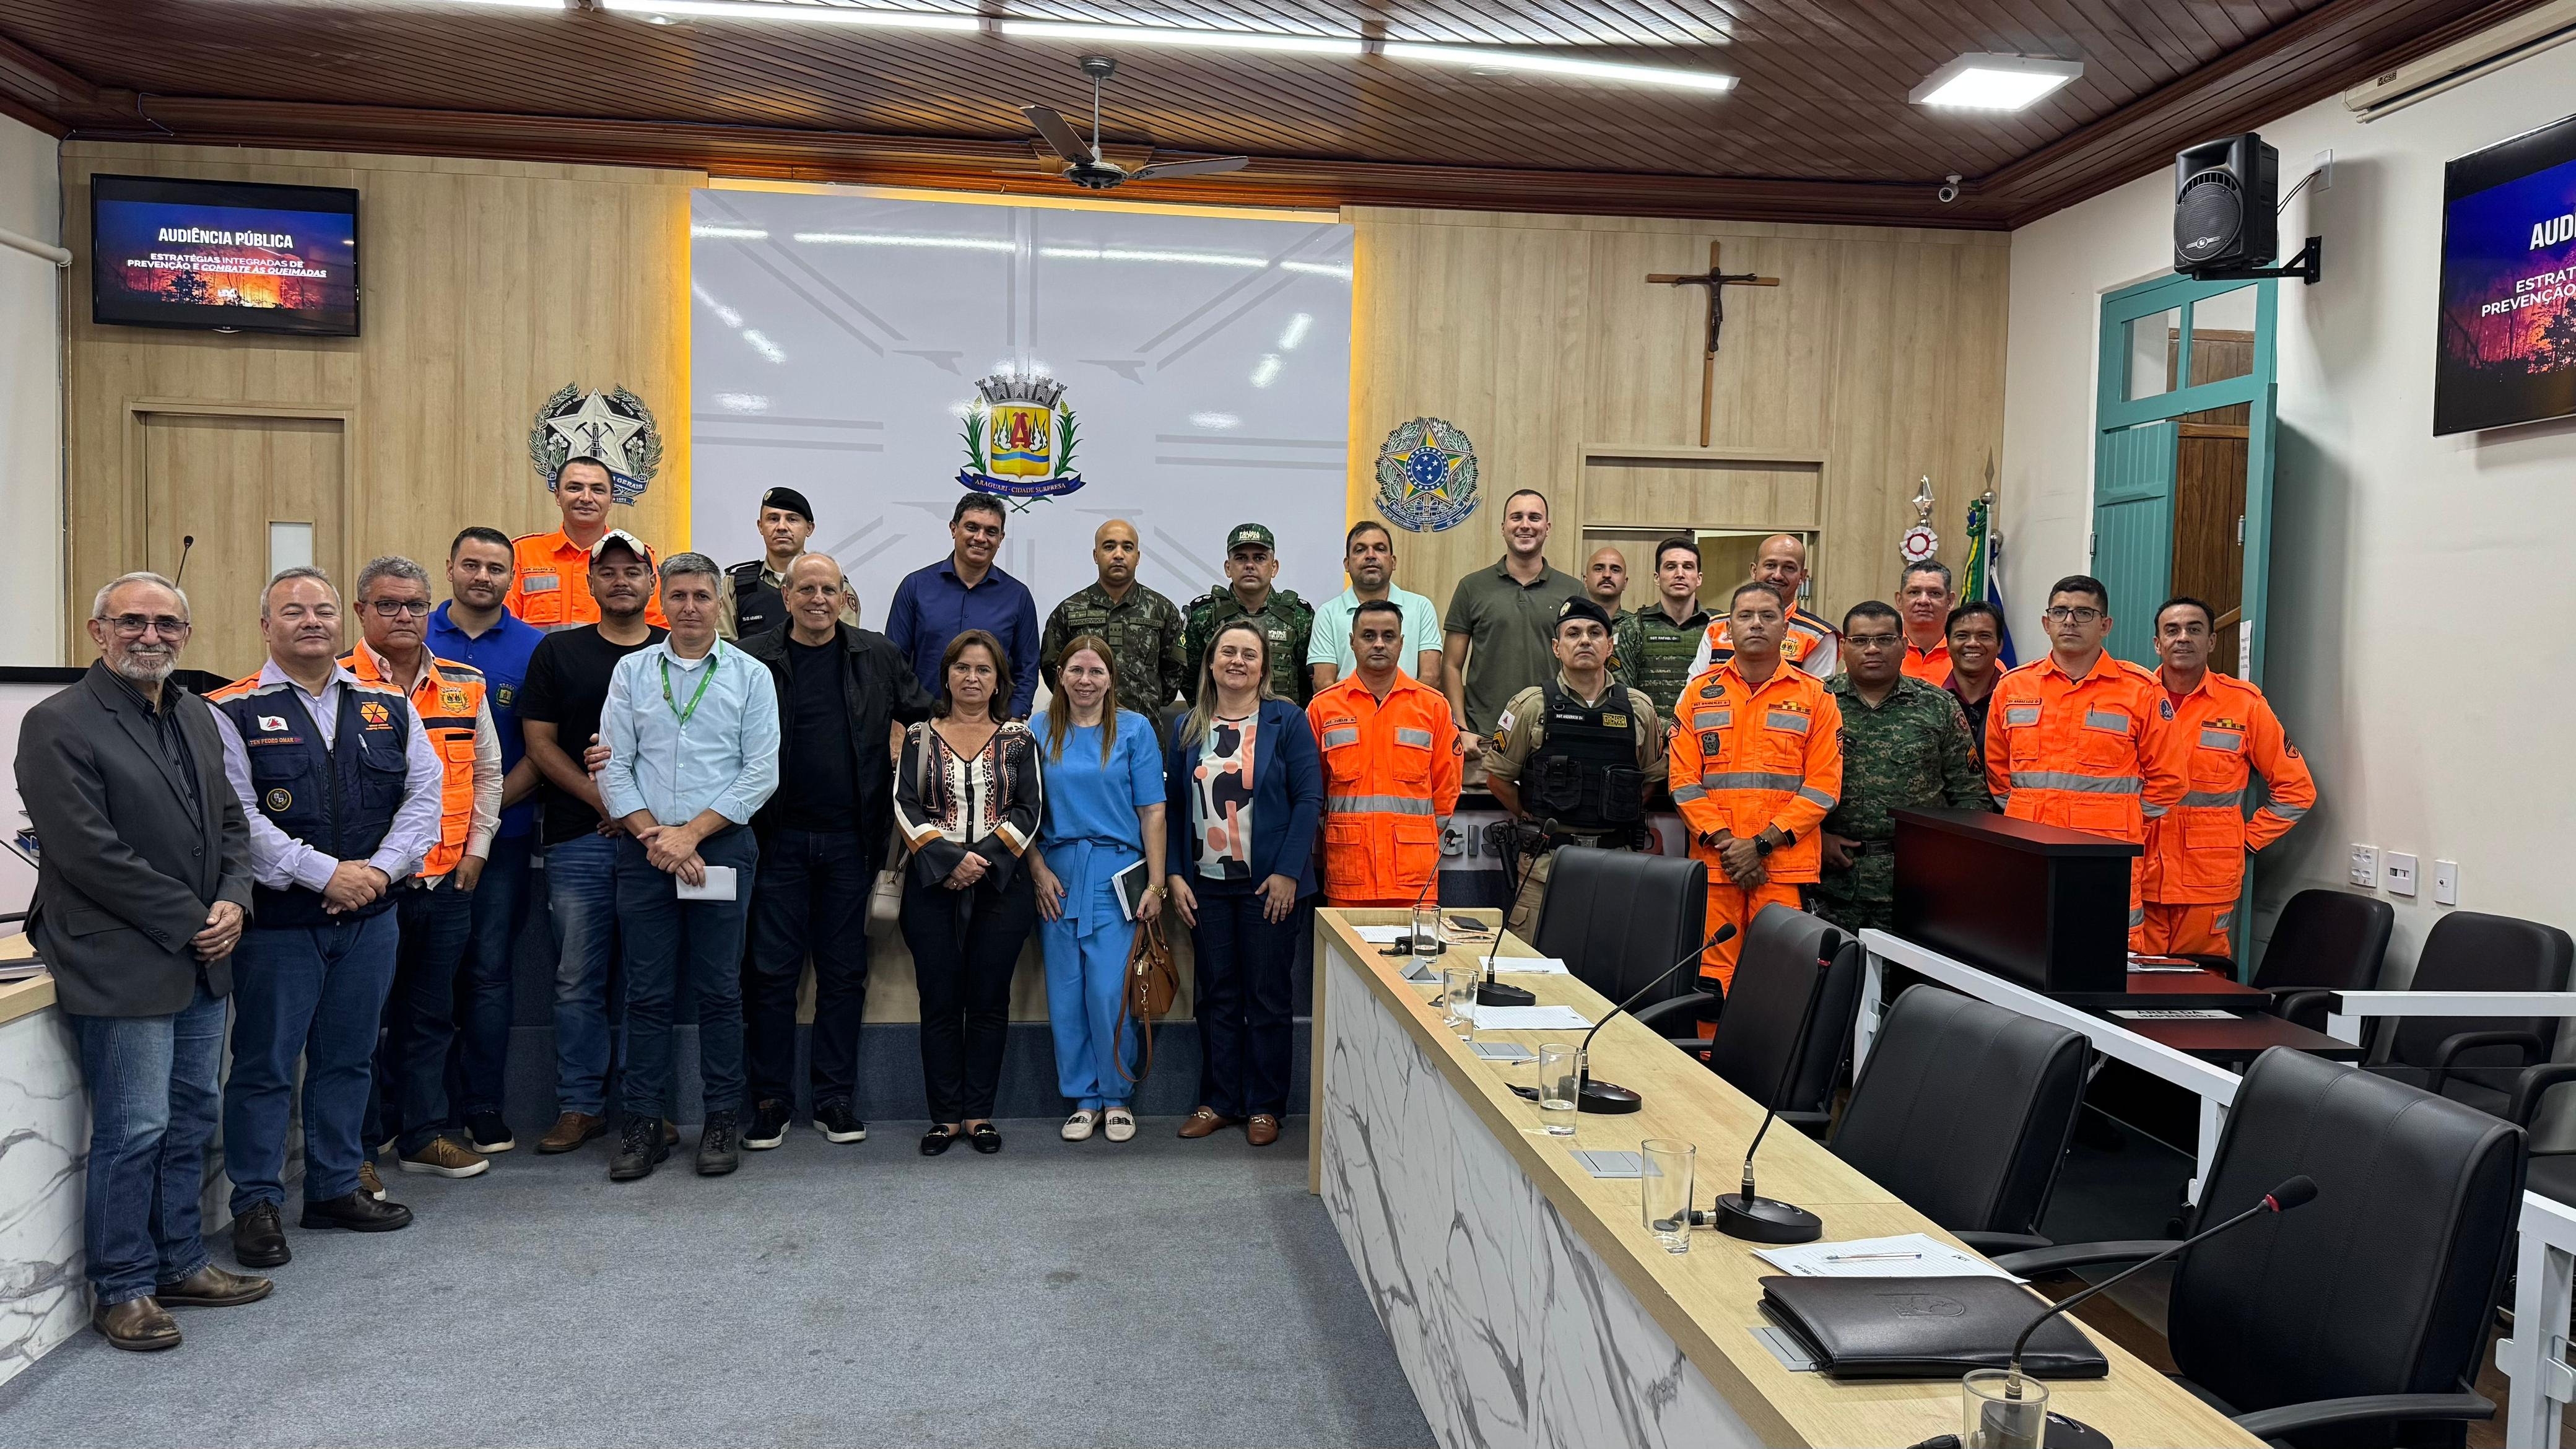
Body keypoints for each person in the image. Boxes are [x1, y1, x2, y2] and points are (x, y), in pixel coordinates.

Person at [17, 572, 267, 1351]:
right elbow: (87, 852)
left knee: (190, 1115)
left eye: (166, 624)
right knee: (135, 1127)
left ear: (185, 636)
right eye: (131, 622)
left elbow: (232, 823)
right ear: (99, 632)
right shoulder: (57, 723)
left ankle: (179, 1262)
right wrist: (195, 919)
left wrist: (234, 900)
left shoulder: (195, 713)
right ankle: (123, 1286)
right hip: (122, 956)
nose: (149, 636)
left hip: (202, 951)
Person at [209, 567, 442, 1266]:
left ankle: (336, 1188)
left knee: (348, 1058)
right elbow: (238, 819)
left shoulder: (388, 705)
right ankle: (256, 1202)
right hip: (279, 925)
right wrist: (326, 875)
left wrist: (375, 875)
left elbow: (425, 800)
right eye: (293, 611)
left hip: (370, 919)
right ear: (266, 626)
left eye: (323, 609)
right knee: (265, 1065)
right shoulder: (230, 710)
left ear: (343, 621)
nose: (311, 621)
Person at [735, 553, 934, 1151]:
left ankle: (834, 1099)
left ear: (844, 596)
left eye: (829, 589)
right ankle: (770, 1101)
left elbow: (930, 719)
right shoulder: (750, 659)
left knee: (844, 976)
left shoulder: (878, 656)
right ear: (787, 596)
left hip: (853, 843)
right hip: (775, 841)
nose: (818, 599)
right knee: (770, 976)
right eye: (806, 589)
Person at [597, 552, 781, 1181]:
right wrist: (657, 838)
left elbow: (761, 771)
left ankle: (721, 1119)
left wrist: (691, 836)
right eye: (678, 596)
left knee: (720, 991)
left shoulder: (751, 675)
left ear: (718, 602)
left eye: (702, 596)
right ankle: (642, 1124)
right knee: (646, 993)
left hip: (719, 848)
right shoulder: (631, 672)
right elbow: (613, 765)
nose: (690, 607)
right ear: (662, 601)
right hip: (645, 848)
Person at [345, 555, 503, 1186]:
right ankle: (354, 1151)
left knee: (430, 1017)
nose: (403, 616)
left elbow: (488, 772)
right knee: (357, 1025)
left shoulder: (465, 682)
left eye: (414, 605)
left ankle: (423, 1134)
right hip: (367, 887)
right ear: (361, 611)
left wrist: (478, 848)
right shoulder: (335, 683)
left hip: (445, 881)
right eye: (388, 605)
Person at [516, 530, 667, 1154]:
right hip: (578, 837)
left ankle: (644, 1107)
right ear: (591, 582)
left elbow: (692, 749)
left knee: (648, 979)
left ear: (652, 583)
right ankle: (580, 1105)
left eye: (633, 571)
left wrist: (637, 814)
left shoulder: (675, 651)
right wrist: (603, 800)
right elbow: (539, 744)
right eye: (609, 572)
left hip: (656, 841)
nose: (621, 581)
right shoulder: (557, 651)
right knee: (576, 976)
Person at [1166, 617, 1321, 1148]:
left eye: (1249, 654)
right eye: (1227, 652)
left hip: (1269, 886)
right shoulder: (1187, 727)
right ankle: (1219, 1101)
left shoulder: (1288, 720)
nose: (1237, 661)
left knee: (1268, 996)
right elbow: (1173, 806)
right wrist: (1175, 874)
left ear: (1264, 668)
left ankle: (1265, 1106)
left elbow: (1309, 800)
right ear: (1210, 663)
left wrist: (1288, 872)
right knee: (1216, 996)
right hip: (1205, 884)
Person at [895, 630, 1045, 1157]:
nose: (972, 678)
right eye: (962, 668)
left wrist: (979, 861)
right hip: (931, 887)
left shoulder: (1020, 739)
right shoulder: (919, 737)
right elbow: (904, 805)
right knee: (938, 1002)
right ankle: (944, 1118)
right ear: (947, 676)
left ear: (999, 681)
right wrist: (948, 860)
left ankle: (979, 1114)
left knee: (988, 1002)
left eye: (984, 670)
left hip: (1001, 887)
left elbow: (1030, 810)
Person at [427, 526, 546, 1155]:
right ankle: (410, 1109)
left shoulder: (534, 648)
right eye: (471, 564)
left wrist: (479, 819)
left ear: (511, 577)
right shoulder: (411, 636)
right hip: (414, 844)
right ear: (449, 567)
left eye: (496, 568)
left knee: (489, 971)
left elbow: (541, 750)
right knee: (414, 975)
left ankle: (482, 1105)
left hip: (502, 838)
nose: (482, 576)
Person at [1985, 575, 2183, 936]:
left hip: (2106, 852)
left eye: (2083, 613)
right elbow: (1998, 772)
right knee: (2025, 940)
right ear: (2046, 623)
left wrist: (2123, 817)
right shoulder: (2013, 686)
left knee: (2106, 949)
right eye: (2060, 612)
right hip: (2029, 846)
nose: (2070, 621)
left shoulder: (2140, 690)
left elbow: (2170, 779)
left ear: (2105, 625)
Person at [1027, 635, 1167, 1144]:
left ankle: (1115, 1096)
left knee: (1109, 992)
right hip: (1057, 876)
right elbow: (1021, 810)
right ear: (1060, 676)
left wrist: (1157, 884)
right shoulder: (1036, 729)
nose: (1085, 680)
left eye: (1096, 672)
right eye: (1076, 671)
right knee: (1066, 993)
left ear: (1111, 679)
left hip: (1116, 875)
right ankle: (1083, 1099)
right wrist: (1037, 869)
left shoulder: (1134, 729)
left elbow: (1153, 811)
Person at [1669, 581, 1843, 989]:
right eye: (1745, 616)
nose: (1756, 624)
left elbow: (1823, 787)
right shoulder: (1697, 695)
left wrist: (1760, 846)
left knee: (1780, 980)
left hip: (1783, 868)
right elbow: (1683, 783)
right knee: (1711, 977)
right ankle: (1709, 1038)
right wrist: (1730, 846)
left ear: (1786, 629)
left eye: (1768, 616)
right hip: (1717, 864)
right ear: (1728, 629)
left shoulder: (1817, 698)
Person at [2136, 596, 2316, 959]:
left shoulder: (2243, 705)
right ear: (2157, 643)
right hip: (2139, 873)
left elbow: (2297, 790)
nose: (2183, 638)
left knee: (2201, 982)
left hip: (2206, 881)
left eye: (2194, 629)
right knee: (2131, 978)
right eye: (2172, 630)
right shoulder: (2133, 699)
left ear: (2212, 641)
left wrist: (2245, 841)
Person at [1482, 598, 1666, 937]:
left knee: (1608, 965)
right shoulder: (1530, 706)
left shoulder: (1639, 708)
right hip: (1545, 869)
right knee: (1534, 966)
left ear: (1610, 646)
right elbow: (1498, 780)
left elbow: (1651, 778)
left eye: (1595, 633)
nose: (1585, 640)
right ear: (1557, 647)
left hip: (1617, 867)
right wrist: (1531, 815)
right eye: (1573, 633)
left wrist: (1617, 808)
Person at [1812, 601, 1991, 934]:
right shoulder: (1815, 701)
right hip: (1830, 882)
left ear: (1904, 645)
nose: (1873, 649)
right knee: (1831, 966)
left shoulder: (1938, 705)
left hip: (1916, 882)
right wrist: (1813, 840)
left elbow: (1970, 796)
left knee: (1909, 970)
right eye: (1860, 640)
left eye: (1884, 639)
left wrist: (1950, 859)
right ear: (1843, 646)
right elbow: (1784, 786)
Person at [1307, 601, 1462, 908]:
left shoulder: (1433, 707)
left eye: (1388, 636)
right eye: (1369, 635)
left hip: (1414, 877)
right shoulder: (1323, 708)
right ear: (1352, 642)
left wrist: (1420, 835)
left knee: (1415, 945)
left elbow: (1447, 787)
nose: (1379, 644)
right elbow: (1312, 789)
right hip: (1348, 873)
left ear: (1402, 643)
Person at [1442, 488, 1584, 754]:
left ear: (1547, 528)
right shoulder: (1472, 587)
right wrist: (1460, 728)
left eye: (1534, 517)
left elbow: (1586, 666)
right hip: (1483, 739)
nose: (1525, 525)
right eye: (1516, 517)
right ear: (1503, 527)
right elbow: (1451, 664)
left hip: (1553, 735)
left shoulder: (1573, 591)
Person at [886, 494, 1041, 720]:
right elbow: (893, 662)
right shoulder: (916, 587)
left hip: (993, 726)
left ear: (1001, 538)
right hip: (922, 723)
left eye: (991, 532)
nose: (981, 538)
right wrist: (901, 720)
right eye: (972, 528)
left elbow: (1027, 668)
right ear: (953, 529)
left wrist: (1014, 717)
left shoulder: (1018, 596)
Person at [1039, 518, 1186, 720]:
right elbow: (1053, 672)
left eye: (1127, 547)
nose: (1118, 554)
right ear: (1096, 555)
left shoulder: (1162, 610)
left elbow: (1173, 677)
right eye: (1109, 547)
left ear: (1137, 557)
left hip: (1144, 728)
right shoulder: (1068, 611)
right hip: (1083, 726)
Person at [502, 455, 668, 630]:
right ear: (558, 496)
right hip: (538, 650)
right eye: (575, 488)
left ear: (611, 500)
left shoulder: (638, 554)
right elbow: (504, 625)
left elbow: (656, 628)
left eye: (598, 490)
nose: (586, 498)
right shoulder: (523, 553)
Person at [1183, 522, 1315, 706]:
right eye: (1241, 558)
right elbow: (1189, 680)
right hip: (1219, 719)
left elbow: (1308, 682)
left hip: (1282, 720)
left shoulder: (1299, 617)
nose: (1250, 565)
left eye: (1259, 558)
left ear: (1274, 567)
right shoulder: (1204, 614)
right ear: (1228, 567)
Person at [1307, 519, 1442, 692]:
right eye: (1360, 550)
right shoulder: (1328, 613)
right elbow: (1323, 684)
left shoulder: (1421, 607)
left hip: (1410, 708)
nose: (1370, 555)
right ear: (1347, 564)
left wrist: (1392, 706)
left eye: (1380, 549)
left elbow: (1430, 678)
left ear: (1393, 562)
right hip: (1347, 708)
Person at [1690, 533, 1841, 680]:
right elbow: (1695, 688)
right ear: (1754, 570)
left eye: (1789, 568)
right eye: (1770, 565)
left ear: (1802, 576)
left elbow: (1818, 694)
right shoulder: (1717, 626)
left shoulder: (1817, 636)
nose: (1777, 575)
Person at [720, 485, 860, 642]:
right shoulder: (734, 586)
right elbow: (724, 649)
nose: (782, 527)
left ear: (809, 528)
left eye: (792, 519)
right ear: (760, 526)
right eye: (773, 519)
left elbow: (848, 644)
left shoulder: (833, 585)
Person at [1610, 537, 1714, 720]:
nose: (1680, 574)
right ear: (1657, 578)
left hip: (1704, 733)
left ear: (1699, 578)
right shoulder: (1632, 629)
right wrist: (1667, 730)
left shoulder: (1718, 629)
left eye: (1688, 567)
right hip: (1649, 735)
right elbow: (1623, 697)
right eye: (1671, 567)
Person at [1943, 602, 2007, 760]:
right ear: (1948, 645)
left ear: (2000, 645)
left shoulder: (2016, 701)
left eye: (1984, 636)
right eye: (1962, 636)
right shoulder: (1931, 703)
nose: (1972, 643)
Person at [1896, 560, 1956, 685]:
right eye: (1914, 592)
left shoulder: (1971, 657)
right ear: (1899, 600)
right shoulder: (1879, 653)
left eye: (1935, 593)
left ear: (1950, 602)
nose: (1923, 601)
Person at [1585, 546, 1630, 623]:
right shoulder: (1571, 624)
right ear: (1586, 581)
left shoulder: (1639, 626)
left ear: (1625, 583)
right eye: (1599, 569)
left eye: (1615, 570)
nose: (1607, 575)